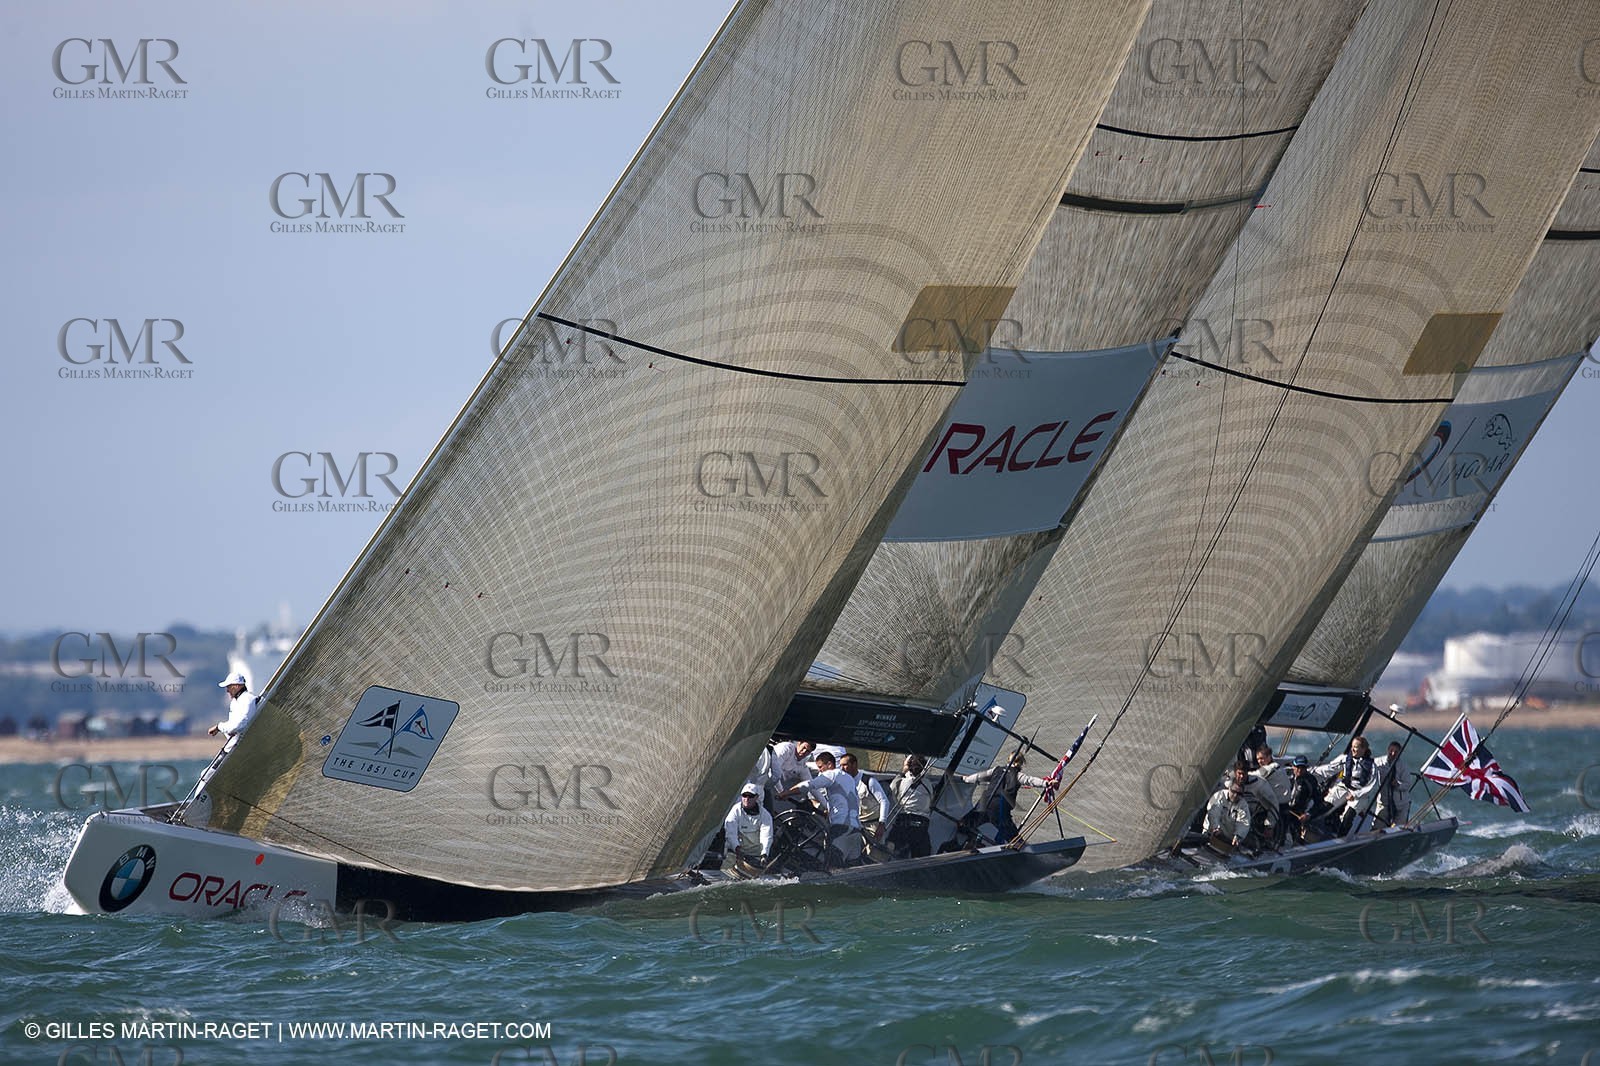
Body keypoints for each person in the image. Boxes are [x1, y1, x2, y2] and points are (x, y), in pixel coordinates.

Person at [959, 750, 1047, 844]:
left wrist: (966, 779)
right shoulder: (1018, 775)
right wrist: (1045, 783)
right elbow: (1030, 780)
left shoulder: (996, 769)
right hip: (999, 809)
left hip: (983, 804)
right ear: (1021, 763)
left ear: (1008, 760)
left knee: (963, 824)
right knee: (1015, 840)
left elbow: (979, 776)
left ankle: (970, 838)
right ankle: (1019, 848)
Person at [1317, 735, 1376, 835]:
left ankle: (1340, 838)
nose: (1353, 749)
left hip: (1360, 794)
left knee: (1348, 816)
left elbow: (1372, 785)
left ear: (1364, 749)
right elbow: (1329, 769)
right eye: (1352, 746)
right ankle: (1308, 821)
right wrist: (1311, 772)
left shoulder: (1372, 765)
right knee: (1325, 805)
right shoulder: (1345, 759)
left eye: (1356, 747)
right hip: (1344, 787)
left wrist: (1355, 794)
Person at [887, 754, 935, 859]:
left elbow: (892, 792)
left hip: (904, 821)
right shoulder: (928, 784)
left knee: (891, 847)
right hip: (922, 824)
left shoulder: (901, 781)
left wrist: (903, 770)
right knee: (922, 856)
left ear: (908, 766)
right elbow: (931, 801)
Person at [839, 753, 891, 847]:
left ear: (854, 764)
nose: (842, 768)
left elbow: (884, 801)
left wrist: (882, 823)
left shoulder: (869, 781)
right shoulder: (845, 783)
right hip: (855, 825)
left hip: (872, 826)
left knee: (874, 855)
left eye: (845, 765)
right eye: (840, 765)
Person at [723, 783, 774, 867]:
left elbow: (766, 836)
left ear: (756, 797)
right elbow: (730, 833)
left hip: (756, 856)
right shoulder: (735, 811)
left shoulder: (765, 815)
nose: (747, 799)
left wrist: (764, 854)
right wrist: (737, 849)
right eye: (744, 795)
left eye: (750, 796)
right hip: (734, 854)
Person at [1203, 778, 1253, 852]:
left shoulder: (1243, 805)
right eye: (1233, 791)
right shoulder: (1219, 795)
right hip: (1210, 834)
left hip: (1227, 841)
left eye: (1239, 794)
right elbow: (1214, 813)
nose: (1235, 795)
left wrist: (1238, 835)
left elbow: (1243, 823)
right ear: (1229, 788)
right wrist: (1215, 827)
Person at [1371, 740, 1411, 828]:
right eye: (1391, 750)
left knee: (1398, 829)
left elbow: (1408, 784)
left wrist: (1398, 785)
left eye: (1396, 752)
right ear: (1388, 749)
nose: (1393, 753)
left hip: (1401, 804)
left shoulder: (1403, 766)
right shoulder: (1378, 762)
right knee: (1377, 826)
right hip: (1384, 802)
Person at [209, 672, 258, 741]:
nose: (227, 691)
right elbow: (232, 727)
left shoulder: (247, 699)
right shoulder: (235, 702)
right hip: (234, 746)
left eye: (228, 687)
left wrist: (219, 727)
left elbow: (238, 725)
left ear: (236, 686)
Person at [769, 739, 815, 809]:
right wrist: (781, 791)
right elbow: (775, 772)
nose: (804, 752)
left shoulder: (802, 766)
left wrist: (826, 806)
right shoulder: (786, 748)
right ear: (799, 743)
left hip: (772, 786)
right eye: (804, 748)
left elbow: (813, 786)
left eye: (808, 751)